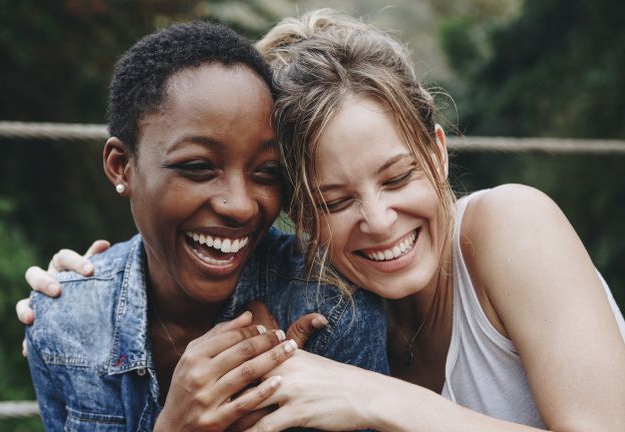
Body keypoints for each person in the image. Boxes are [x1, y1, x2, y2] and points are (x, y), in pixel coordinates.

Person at [22, 9, 625, 432]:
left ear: (438, 152)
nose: (381, 220)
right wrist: (97, 287)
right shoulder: (325, 307)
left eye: (397, 177)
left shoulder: (510, 227)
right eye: (335, 202)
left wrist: (374, 398)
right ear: (297, 212)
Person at [22, 19, 387, 432]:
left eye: (266, 171)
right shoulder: (64, 323)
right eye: (197, 167)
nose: (241, 205)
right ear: (121, 166)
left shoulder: (331, 306)